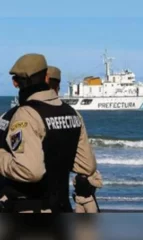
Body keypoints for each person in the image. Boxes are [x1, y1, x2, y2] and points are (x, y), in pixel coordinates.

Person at [0, 53, 97, 213]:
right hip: (62, 206)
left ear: (15, 83)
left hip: (30, 210)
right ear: (46, 77)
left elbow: (30, 171)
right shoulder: (72, 113)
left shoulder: (24, 114)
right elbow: (87, 166)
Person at [47, 65, 103, 213]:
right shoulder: (73, 114)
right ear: (57, 85)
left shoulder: (21, 113)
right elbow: (87, 164)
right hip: (60, 199)